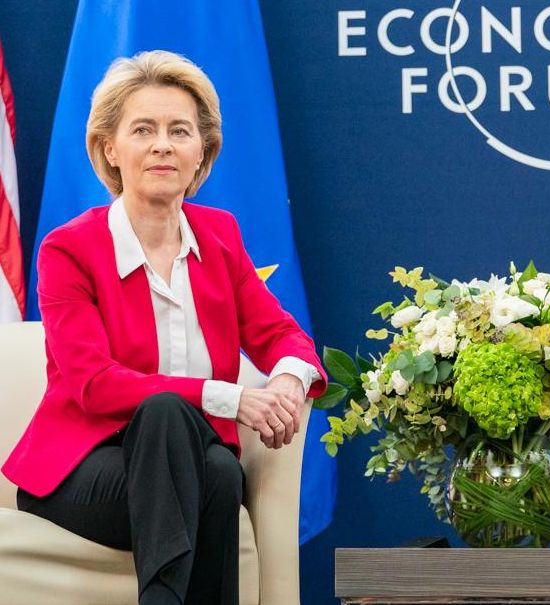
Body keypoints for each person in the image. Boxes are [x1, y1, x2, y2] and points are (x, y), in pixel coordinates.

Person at [1, 50, 326, 605]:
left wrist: (288, 383)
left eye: (180, 131)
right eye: (143, 129)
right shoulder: (69, 248)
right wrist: (229, 397)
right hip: (84, 472)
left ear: (201, 152)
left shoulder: (220, 235)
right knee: (172, 419)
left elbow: (282, 336)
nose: (163, 145)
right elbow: (93, 382)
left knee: (220, 472)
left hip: (192, 464)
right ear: (110, 147)